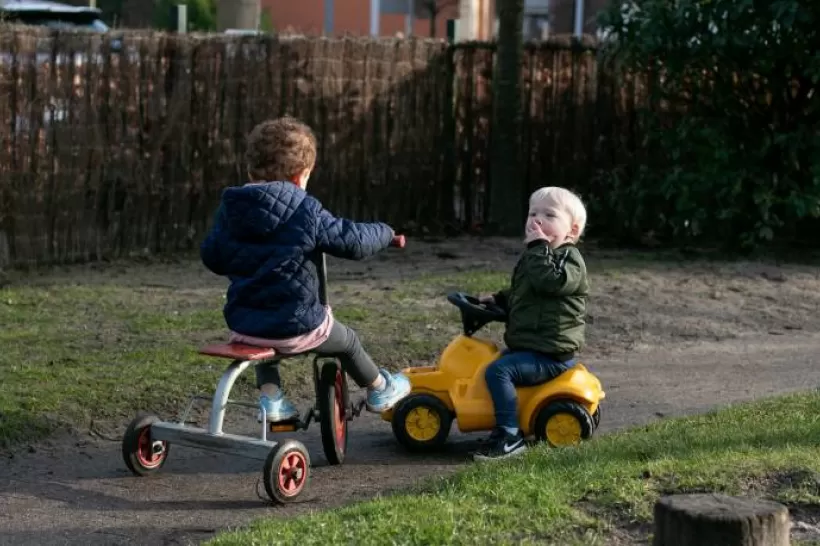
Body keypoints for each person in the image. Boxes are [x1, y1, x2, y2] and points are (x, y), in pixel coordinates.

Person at [200, 116, 411, 422]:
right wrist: (385, 233)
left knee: (263, 335)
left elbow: (212, 256)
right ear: (301, 177)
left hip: (245, 325)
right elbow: (353, 241)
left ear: (249, 170)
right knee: (347, 341)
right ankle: (379, 388)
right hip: (299, 325)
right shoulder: (304, 209)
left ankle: (271, 399)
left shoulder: (231, 209)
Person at [473, 186, 590, 461]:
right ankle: (499, 418)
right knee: (490, 363)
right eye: (532, 213)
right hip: (533, 346)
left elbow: (551, 283)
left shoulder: (569, 260)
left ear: (572, 231)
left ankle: (509, 435)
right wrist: (499, 299)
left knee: (499, 372)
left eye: (549, 215)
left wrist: (538, 247)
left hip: (550, 354)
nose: (536, 220)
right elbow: (527, 293)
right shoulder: (539, 257)